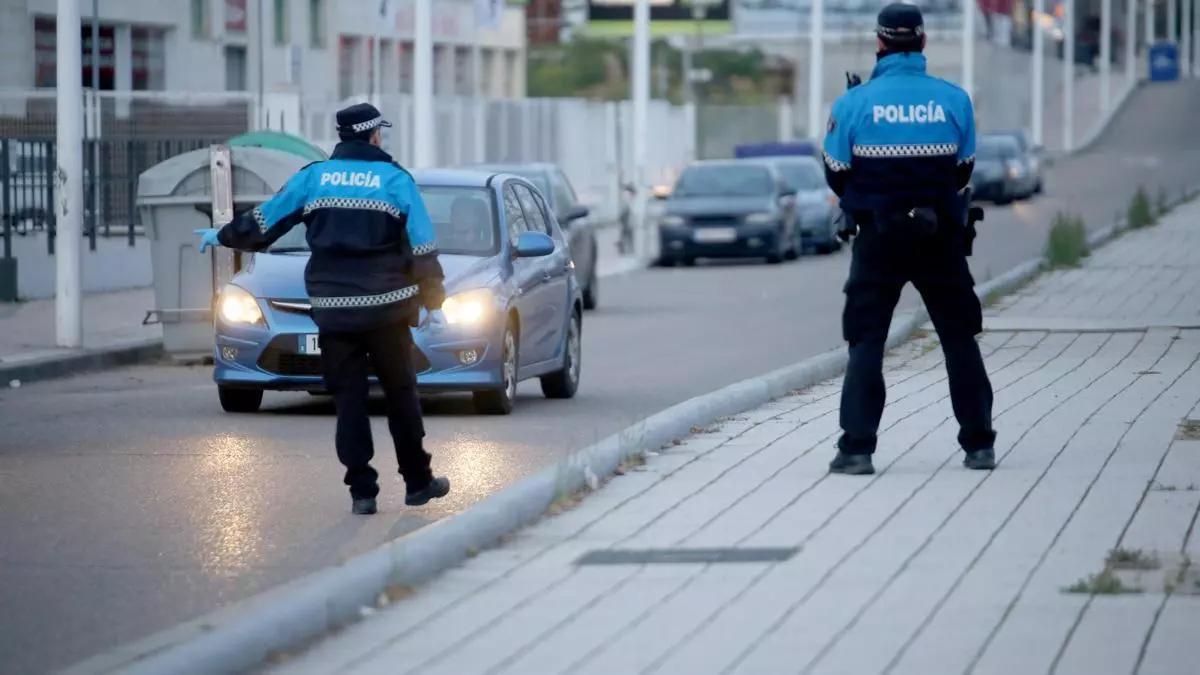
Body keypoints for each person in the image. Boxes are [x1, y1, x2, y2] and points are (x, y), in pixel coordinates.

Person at [194, 102, 451, 514]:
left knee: (348, 398)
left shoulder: (314, 178)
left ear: (341, 136)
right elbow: (422, 245)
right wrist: (433, 299)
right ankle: (418, 482)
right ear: (374, 135)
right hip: (387, 310)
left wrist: (223, 234)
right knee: (400, 393)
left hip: (333, 309)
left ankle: (362, 492)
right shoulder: (395, 181)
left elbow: (266, 221)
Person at [822, 3, 997, 476]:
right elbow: (963, 170)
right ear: (922, 43)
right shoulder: (954, 99)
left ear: (880, 44)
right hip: (939, 236)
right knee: (959, 337)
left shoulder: (853, 104)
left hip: (878, 239)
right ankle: (979, 444)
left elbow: (837, 175)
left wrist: (877, 195)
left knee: (867, 342)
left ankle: (857, 449)